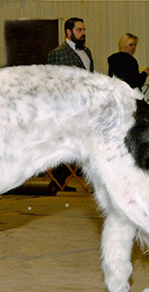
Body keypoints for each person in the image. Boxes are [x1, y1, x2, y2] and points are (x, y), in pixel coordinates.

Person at [47, 17, 94, 191]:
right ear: (68, 32)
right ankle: (57, 181)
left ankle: (60, 180)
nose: (83, 33)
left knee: (80, 145)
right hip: (67, 108)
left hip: (85, 105)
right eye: (79, 30)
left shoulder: (87, 52)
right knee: (67, 145)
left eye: (84, 30)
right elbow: (52, 83)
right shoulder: (57, 53)